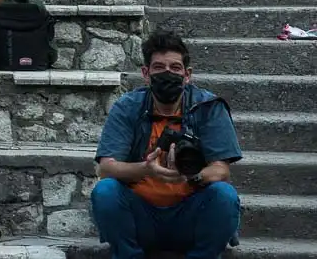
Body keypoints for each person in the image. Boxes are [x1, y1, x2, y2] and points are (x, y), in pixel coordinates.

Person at [91, 31, 242, 258]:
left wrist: (190, 176)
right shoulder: (127, 106)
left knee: (224, 195)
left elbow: (221, 170)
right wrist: (145, 169)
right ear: (146, 73)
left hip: (189, 212)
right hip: (141, 214)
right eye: (159, 67)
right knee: (105, 191)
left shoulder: (208, 107)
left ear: (187, 74)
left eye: (175, 68)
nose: (167, 73)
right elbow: (106, 168)